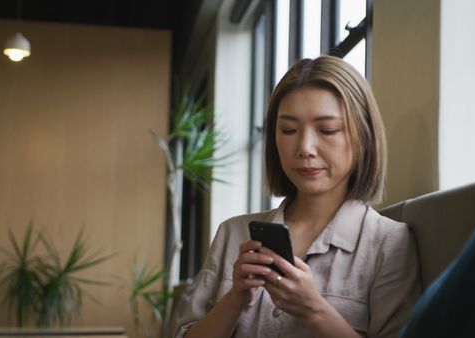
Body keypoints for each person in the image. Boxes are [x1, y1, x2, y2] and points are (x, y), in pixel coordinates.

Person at [172, 55, 421, 338]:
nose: (304, 147)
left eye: (327, 130)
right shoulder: (234, 233)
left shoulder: (388, 244)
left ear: (363, 137)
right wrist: (236, 299)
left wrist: (314, 309)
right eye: (288, 130)